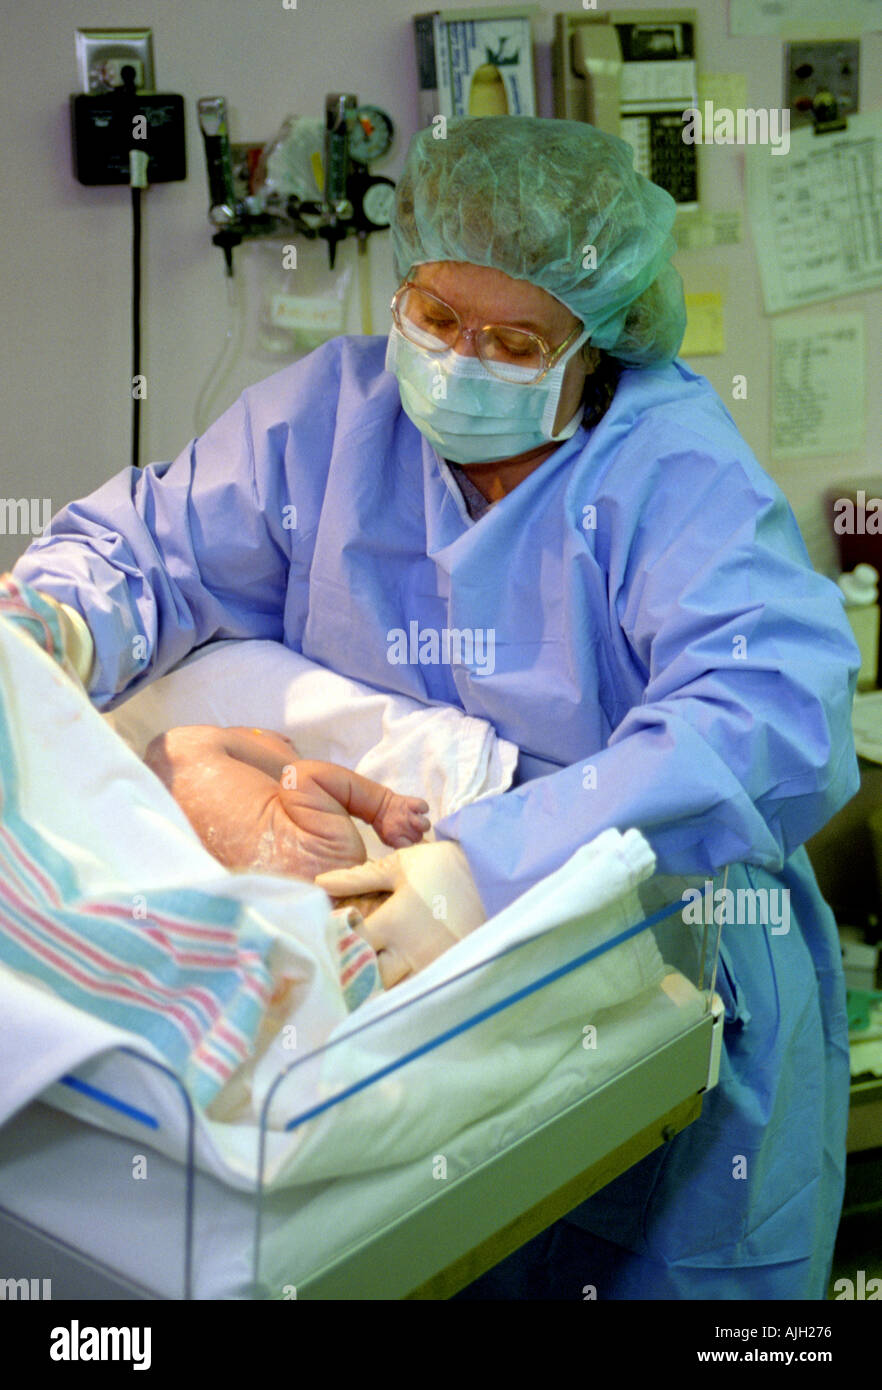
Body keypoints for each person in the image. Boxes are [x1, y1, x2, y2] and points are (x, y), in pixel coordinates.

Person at [10, 116, 859, 1300]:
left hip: (667, 954)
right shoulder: (331, 420)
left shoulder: (670, 473)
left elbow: (773, 713)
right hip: (407, 978)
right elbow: (154, 552)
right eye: (436, 317)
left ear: (598, 348)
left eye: (515, 340)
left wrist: (488, 866)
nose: (460, 361)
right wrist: (56, 623)